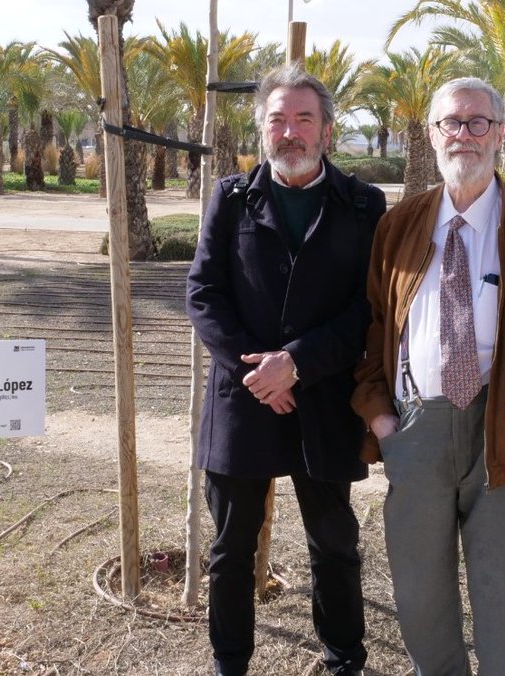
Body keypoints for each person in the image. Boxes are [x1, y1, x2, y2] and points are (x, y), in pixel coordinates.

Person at [352, 77, 505, 675]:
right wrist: (381, 419)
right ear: (433, 135)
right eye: (451, 123)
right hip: (416, 429)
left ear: (501, 133)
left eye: (477, 122)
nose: (464, 134)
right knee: (419, 596)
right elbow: (373, 329)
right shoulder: (399, 225)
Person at [186, 63, 386, 676]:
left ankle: (344, 658)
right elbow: (203, 293)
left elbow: (367, 308)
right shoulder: (231, 198)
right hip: (242, 399)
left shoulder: (363, 205)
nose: (290, 132)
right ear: (262, 129)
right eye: (278, 120)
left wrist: (296, 363)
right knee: (231, 547)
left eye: (304, 118)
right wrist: (257, 370)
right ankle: (229, 662)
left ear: (326, 129)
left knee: (334, 542)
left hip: (321, 399)